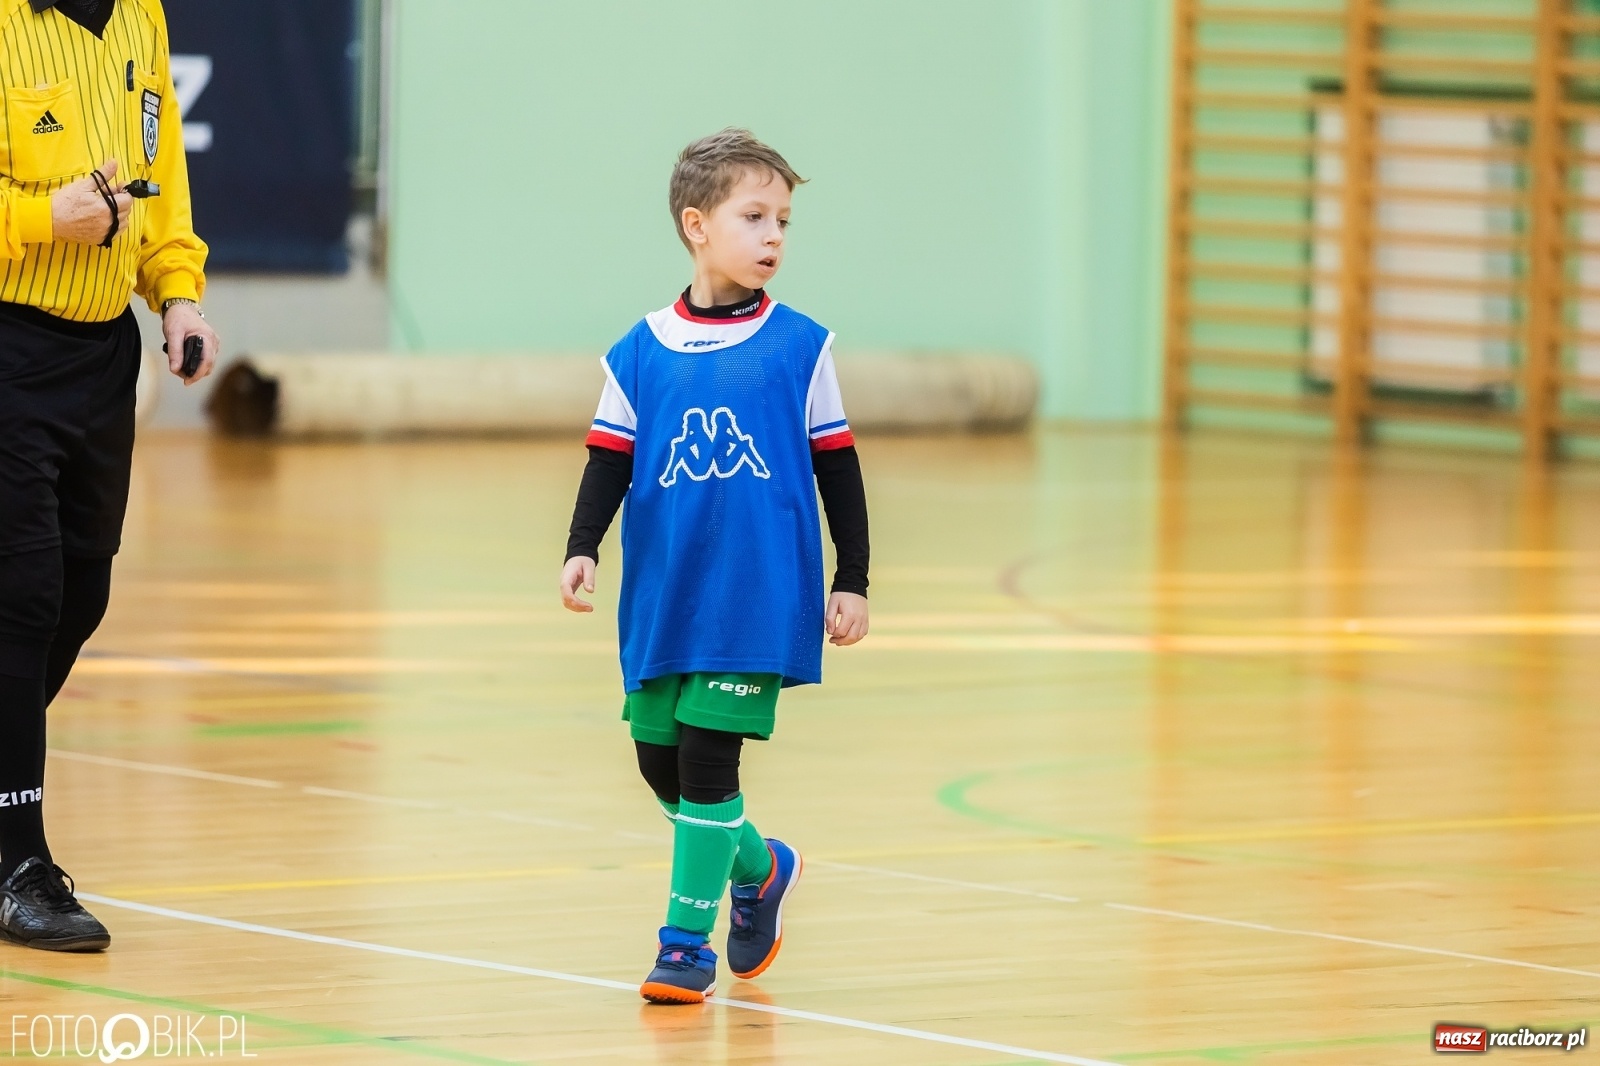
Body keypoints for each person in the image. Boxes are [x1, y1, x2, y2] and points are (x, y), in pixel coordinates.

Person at [560, 129, 870, 1004]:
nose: (774, 235)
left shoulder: (801, 347)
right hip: (666, 593)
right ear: (697, 225)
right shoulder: (641, 350)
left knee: (706, 765)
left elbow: (838, 466)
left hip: (756, 597)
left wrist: (854, 579)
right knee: (658, 761)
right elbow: (608, 461)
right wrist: (582, 547)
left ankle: (683, 945)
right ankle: (761, 867)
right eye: (754, 216)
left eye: (784, 220)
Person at [0, 0, 217, 952]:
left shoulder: (140, 18)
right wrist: (42, 216)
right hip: (8, 338)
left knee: (81, 589)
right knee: (23, 596)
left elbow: (157, 171)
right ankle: (17, 863)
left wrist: (176, 291)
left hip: (100, 357)